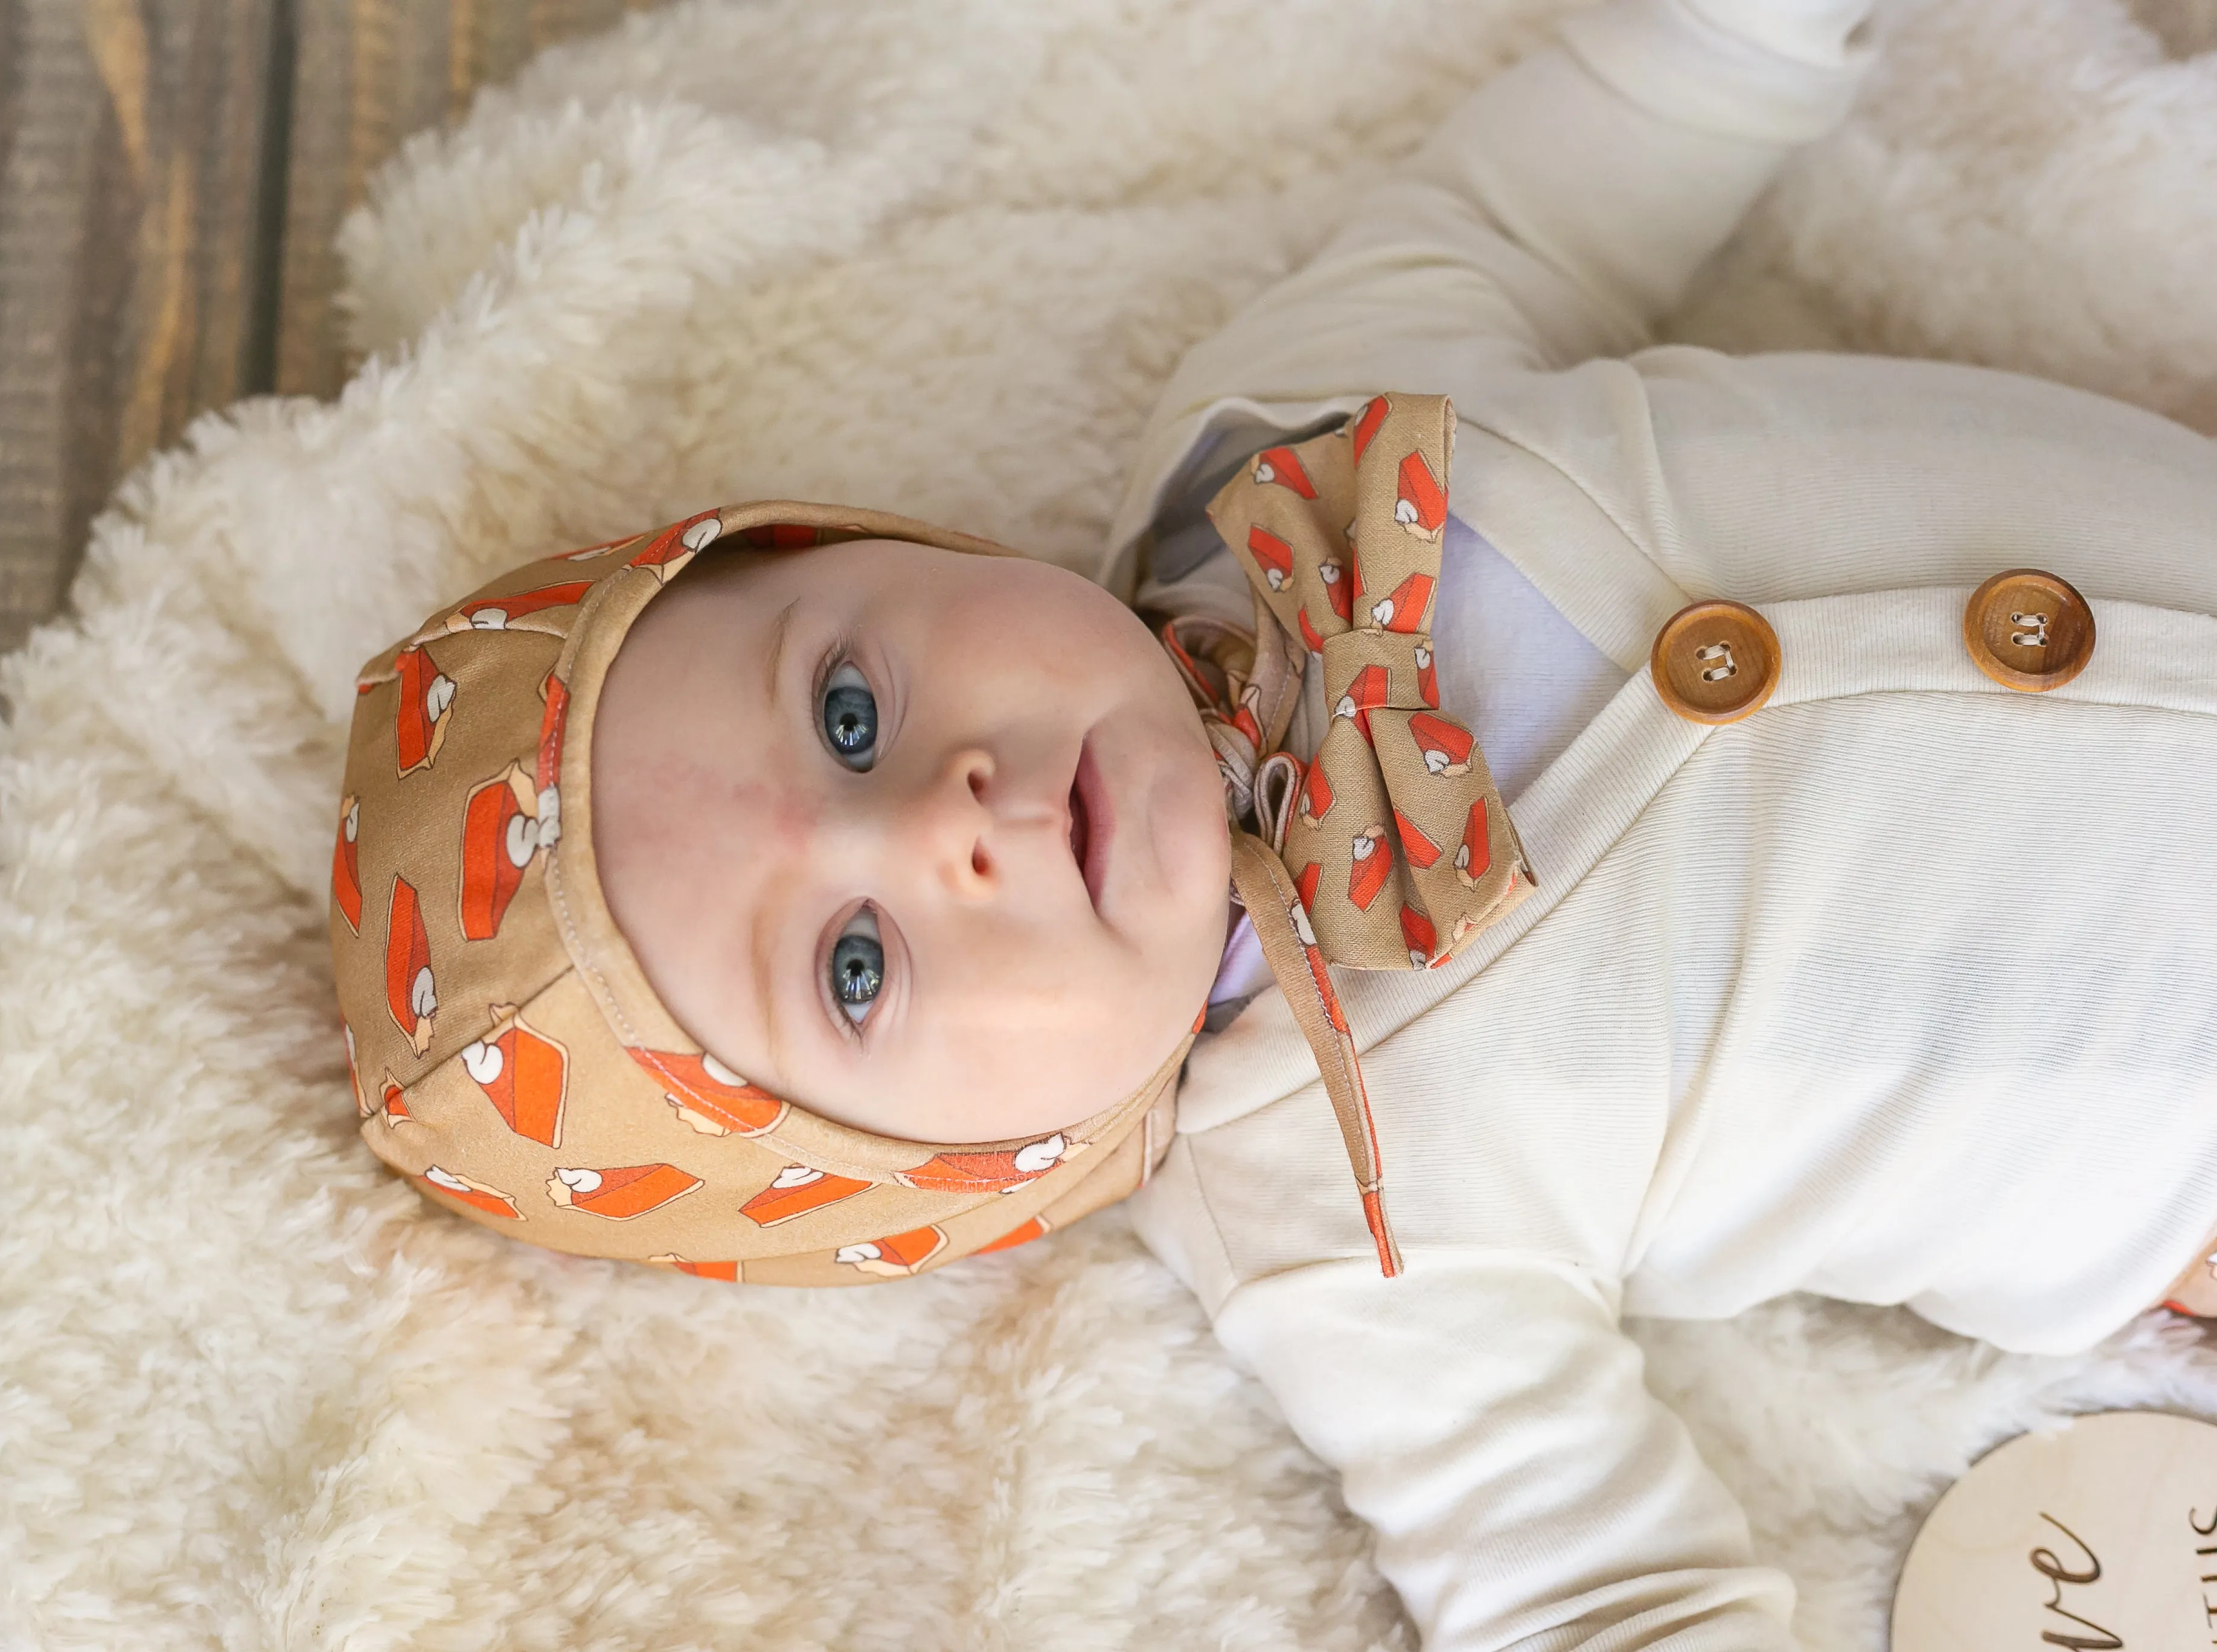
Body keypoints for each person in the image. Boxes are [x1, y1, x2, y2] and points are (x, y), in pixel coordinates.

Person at [327, 0, 2217, 1642]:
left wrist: (1739, 33)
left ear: (887, 551)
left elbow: (1540, 204)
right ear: (966, 1180)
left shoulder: (1282, 445)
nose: (943, 825)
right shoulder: (1332, 1212)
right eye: (854, 964)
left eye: (849, 709)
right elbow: (1588, 1594)